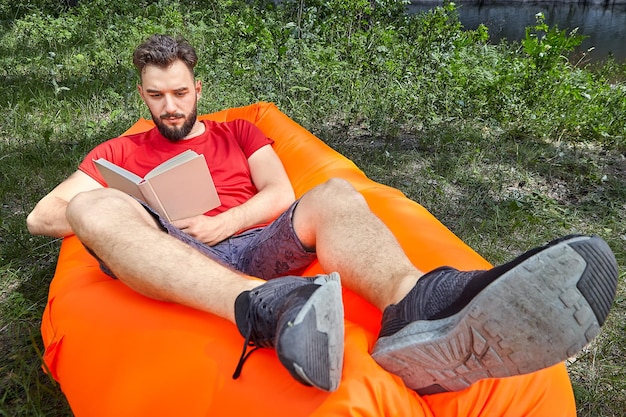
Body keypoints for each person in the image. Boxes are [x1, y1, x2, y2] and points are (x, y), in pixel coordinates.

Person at [27, 34, 618, 394]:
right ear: (142, 96)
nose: (169, 106)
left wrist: (223, 223)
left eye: (179, 92)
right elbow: (43, 218)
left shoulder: (240, 131)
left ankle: (419, 306)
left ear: (197, 87)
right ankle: (268, 309)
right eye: (156, 96)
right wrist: (140, 206)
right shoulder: (119, 150)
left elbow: (282, 193)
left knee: (332, 194)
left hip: (252, 241)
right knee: (93, 202)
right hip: (167, 253)